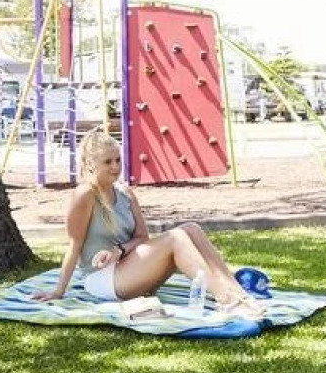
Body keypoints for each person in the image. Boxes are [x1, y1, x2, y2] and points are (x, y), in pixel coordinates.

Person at [31, 129, 265, 318]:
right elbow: (74, 245)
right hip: (102, 279)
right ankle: (226, 300)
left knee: (190, 229)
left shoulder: (125, 193)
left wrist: (119, 250)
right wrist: (59, 290)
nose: (116, 167)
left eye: (118, 160)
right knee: (176, 238)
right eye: (108, 162)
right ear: (91, 164)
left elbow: (142, 238)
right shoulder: (84, 195)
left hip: (129, 267)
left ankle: (237, 293)